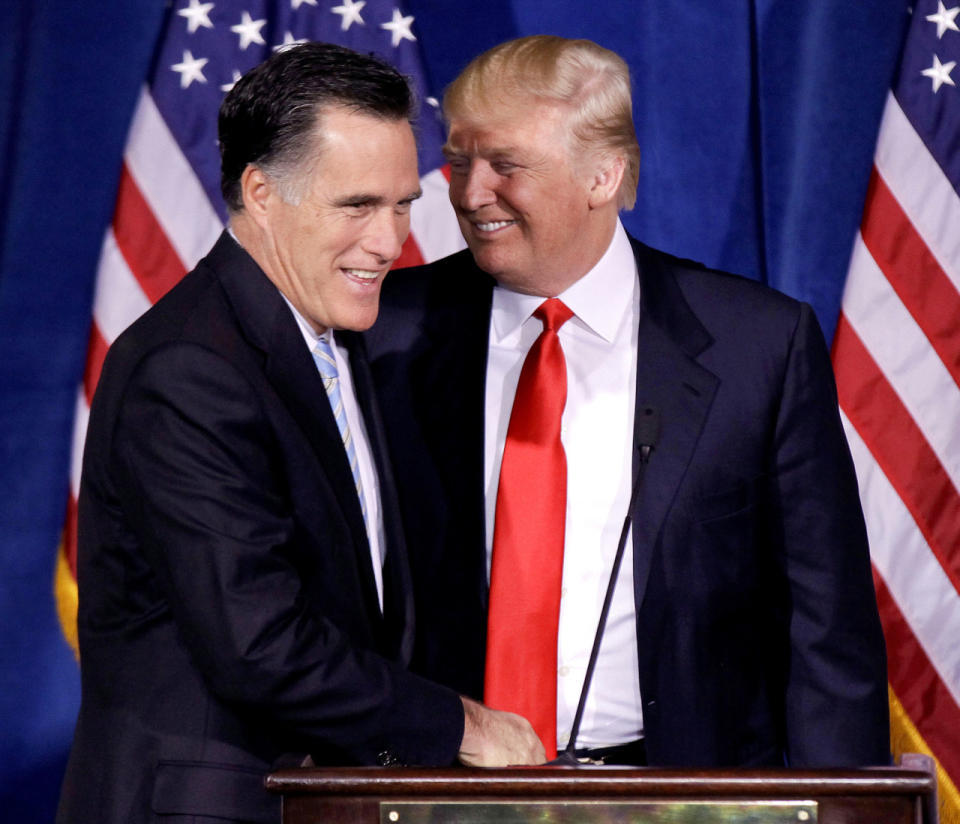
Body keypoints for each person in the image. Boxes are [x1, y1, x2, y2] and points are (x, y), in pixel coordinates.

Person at [367, 35, 890, 768]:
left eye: (505, 165)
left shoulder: (758, 347)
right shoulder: (385, 330)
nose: (468, 191)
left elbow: (825, 632)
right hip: (439, 790)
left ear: (602, 174)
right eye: (460, 161)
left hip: (688, 795)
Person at [57, 42, 542, 824]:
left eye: (402, 205)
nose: (388, 243)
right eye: (356, 206)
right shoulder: (188, 369)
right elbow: (258, 644)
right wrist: (461, 725)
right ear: (260, 192)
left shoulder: (341, 340)